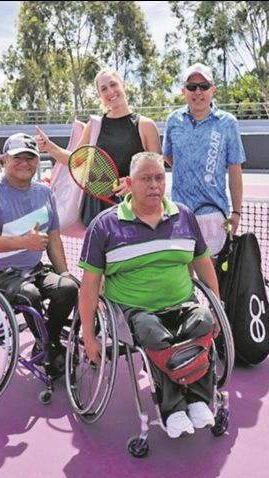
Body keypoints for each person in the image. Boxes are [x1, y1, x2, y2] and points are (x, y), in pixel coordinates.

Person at [77, 152, 222, 439]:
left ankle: (196, 399)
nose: (154, 184)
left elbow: (204, 263)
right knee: (153, 333)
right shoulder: (104, 225)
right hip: (132, 312)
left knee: (203, 321)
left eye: (159, 177)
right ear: (129, 183)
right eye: (146, 179)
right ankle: (174, 408)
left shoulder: (185, 216)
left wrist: (217, 307)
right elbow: (90, 284)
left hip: (182, 303)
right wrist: (88, 333)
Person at [0, 132, 78, 378]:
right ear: (4, 160)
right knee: (29, 294)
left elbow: (53, 238)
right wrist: (24, 242)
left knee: (68, 288)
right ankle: (49, 347)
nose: (25, 163)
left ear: (37, 162)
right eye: (18, 158)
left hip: (31, 270)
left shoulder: (44, 193)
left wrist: (64, 272)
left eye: (30, 158)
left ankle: (49, 340)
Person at [35, 67, 161, 226]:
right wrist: (49, 147)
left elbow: (157, 171)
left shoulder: (145, 125)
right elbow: (75, 160)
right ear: (100, 95)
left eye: (113, 84)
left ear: (123, 85)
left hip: (135, 208)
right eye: (104, 89)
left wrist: (134, 185)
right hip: (98, 211)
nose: (110, 91)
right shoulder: (94, 126)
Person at [163, 63, 246, 257]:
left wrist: (236, 212)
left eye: (204, 86)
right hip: (180, 213)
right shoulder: (173, 120)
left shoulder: (228, 123)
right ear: (184, 91)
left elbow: (235, 170)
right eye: (192, 87)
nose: (198, 92)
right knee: (184, 274)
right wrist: (189, 168)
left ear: (213, 90)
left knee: (212, 277)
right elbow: (167, 155)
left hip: (214, 214)